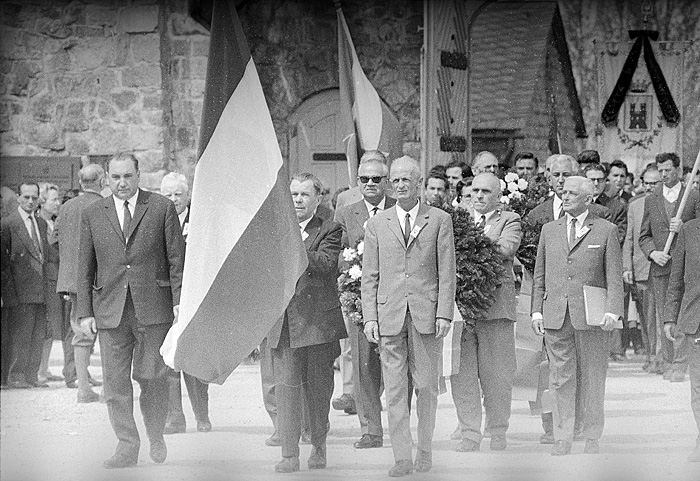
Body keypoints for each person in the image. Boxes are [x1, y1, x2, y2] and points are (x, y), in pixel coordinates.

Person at [76, 152, 185, 469]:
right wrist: (85, 312)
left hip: (153, 310)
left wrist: (179, 301)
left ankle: (156, 434)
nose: (121, 183)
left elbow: (177, 260)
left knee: (151, 376)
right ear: (106, 179)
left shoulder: (161, 207)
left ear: (139, 177)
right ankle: (126, 446)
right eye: (115, 177)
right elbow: (85, 266)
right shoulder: (95, 213)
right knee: (115, 383)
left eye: (127, 176)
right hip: (110, 310)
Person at [362, 155, 456, 477]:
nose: (400, 185)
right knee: (395, 389)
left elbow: (447, 273)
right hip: (389, 316)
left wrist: (444, 313)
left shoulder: (439, 220)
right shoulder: (377, 224)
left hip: (426, 315)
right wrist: (370, 317)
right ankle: (402, 456)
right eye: (395, 180)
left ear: (419, 184)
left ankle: (425, 450)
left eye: (407, 180)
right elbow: (369, 276)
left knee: (427, 387)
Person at [531, 176, 623, 456]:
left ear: (588, 199)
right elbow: (540, 275)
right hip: (556, 316)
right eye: (563, 192)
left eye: (572, 193)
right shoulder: (550, 229)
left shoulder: (606, 230)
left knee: (593, 377)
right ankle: (563, 436)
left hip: (592, 317)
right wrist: (536, 311)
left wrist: (612, 311)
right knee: (559, 378)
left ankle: (592, 434)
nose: (565, 196)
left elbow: (614, 277)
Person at [267, 173, 347, 473]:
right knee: (286, 389)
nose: (297, 200)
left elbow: (326, 265)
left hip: (317, 324)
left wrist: (294, 244)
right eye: (293, 195)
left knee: (318, 390)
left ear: (318, 198)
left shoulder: (330, 229)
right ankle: (289, 454)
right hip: (284, 323)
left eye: (304, 195)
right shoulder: (273, 230)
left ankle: (318, 445)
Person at [450, 173, 521, 452]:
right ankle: (469, 432)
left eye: (485, 191)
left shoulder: (509, 219)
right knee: (462, 374)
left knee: (497, 375)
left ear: (498, 196)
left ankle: (497, 430)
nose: (478, 196)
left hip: (495, 307)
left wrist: (466, 247)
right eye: (475, 190)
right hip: (463, 307)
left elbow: (506, 248)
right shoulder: (458, 219)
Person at [335, 158, 395, 450]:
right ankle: (371, 429)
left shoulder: (400, 207)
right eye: (364, 179)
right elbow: (338, 253)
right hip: (361, 300)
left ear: (386, 181)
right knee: (363, 367)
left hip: (398, 301)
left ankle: (399, 427)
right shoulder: (348, 213)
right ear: (357, 182)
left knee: (397, 367)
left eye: (376, 179)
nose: (370, 184)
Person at [639, 152, 700, 382]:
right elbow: (644, 236)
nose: (664, 175)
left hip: (688, 267)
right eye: (660, 171)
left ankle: (681, 362)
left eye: (668, 170)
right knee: (666, 314)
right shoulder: (652, 199)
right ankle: (667, 359)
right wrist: (653, 253)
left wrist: (684, 224)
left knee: (687, 312)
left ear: (678, 170)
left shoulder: (692, 196)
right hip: (662, 266)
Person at [159, 172, 212, 433]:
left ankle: (202, 414)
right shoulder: (156, 220)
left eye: (178, 194)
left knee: (194, 358)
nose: (173, 199)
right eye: (167, 194)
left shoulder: (200, 220)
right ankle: (174, 417)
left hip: (194, 298)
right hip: (164, 297)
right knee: (168, 359)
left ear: (188, 195)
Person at [55, 164, 106, 402]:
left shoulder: (66, 207)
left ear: (80, 181)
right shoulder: (105, 205)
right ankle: (109, 389)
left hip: (73, 281)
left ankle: (83, 388)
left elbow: (54, 240)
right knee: (108, 332)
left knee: (79, 332)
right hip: (101, 279)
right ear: (102, 180)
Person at [1, 182, 50, 389]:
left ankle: (31, 375)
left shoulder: (40, 223)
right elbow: (3, 265)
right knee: (20, 335)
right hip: (19, 291)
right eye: (26, 197)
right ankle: (16, 375)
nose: (31, 201)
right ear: (18, 198)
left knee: (37, 335)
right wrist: (10, 294)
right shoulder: (8, 224)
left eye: (34, 197)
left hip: (39, 290)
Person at [663, 218, 700, 463]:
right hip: (696, 319)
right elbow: (676, 278)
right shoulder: (690, 229)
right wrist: (670, 317)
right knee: (699, 388)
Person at [623, 167, 662, 372]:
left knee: (661, 315)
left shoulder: (667, 204)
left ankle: (661, 357)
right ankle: (649, 355)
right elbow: (630, 238)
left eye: (653, 183)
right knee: (645, 316)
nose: (649, 187)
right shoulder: (635, 206)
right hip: (641, 269)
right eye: (646, 183)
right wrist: (627, 267)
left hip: (662, 268)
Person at [37, 183, 72, 386]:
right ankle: (41, 371)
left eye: (59, 199)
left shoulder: (52, 221)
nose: (58, 203)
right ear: (43, 201)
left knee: (52, 327)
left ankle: (45, 369)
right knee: (47, 325)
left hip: (57, 277)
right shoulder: (41, 223)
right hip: (49, 279)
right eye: (54, 200)